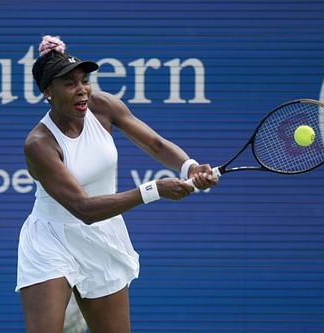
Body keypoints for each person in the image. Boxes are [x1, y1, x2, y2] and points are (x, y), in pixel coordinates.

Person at [16, 35, 218, 333]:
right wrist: (155, 190)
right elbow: (83, 208)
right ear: (48, 92)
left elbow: (155, 143)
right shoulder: (39, 144)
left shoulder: (102, 106)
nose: (82, 89)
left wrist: (189, 166)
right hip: (51, 240)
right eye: (69, 84)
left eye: (84, 80)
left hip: (102, 237)